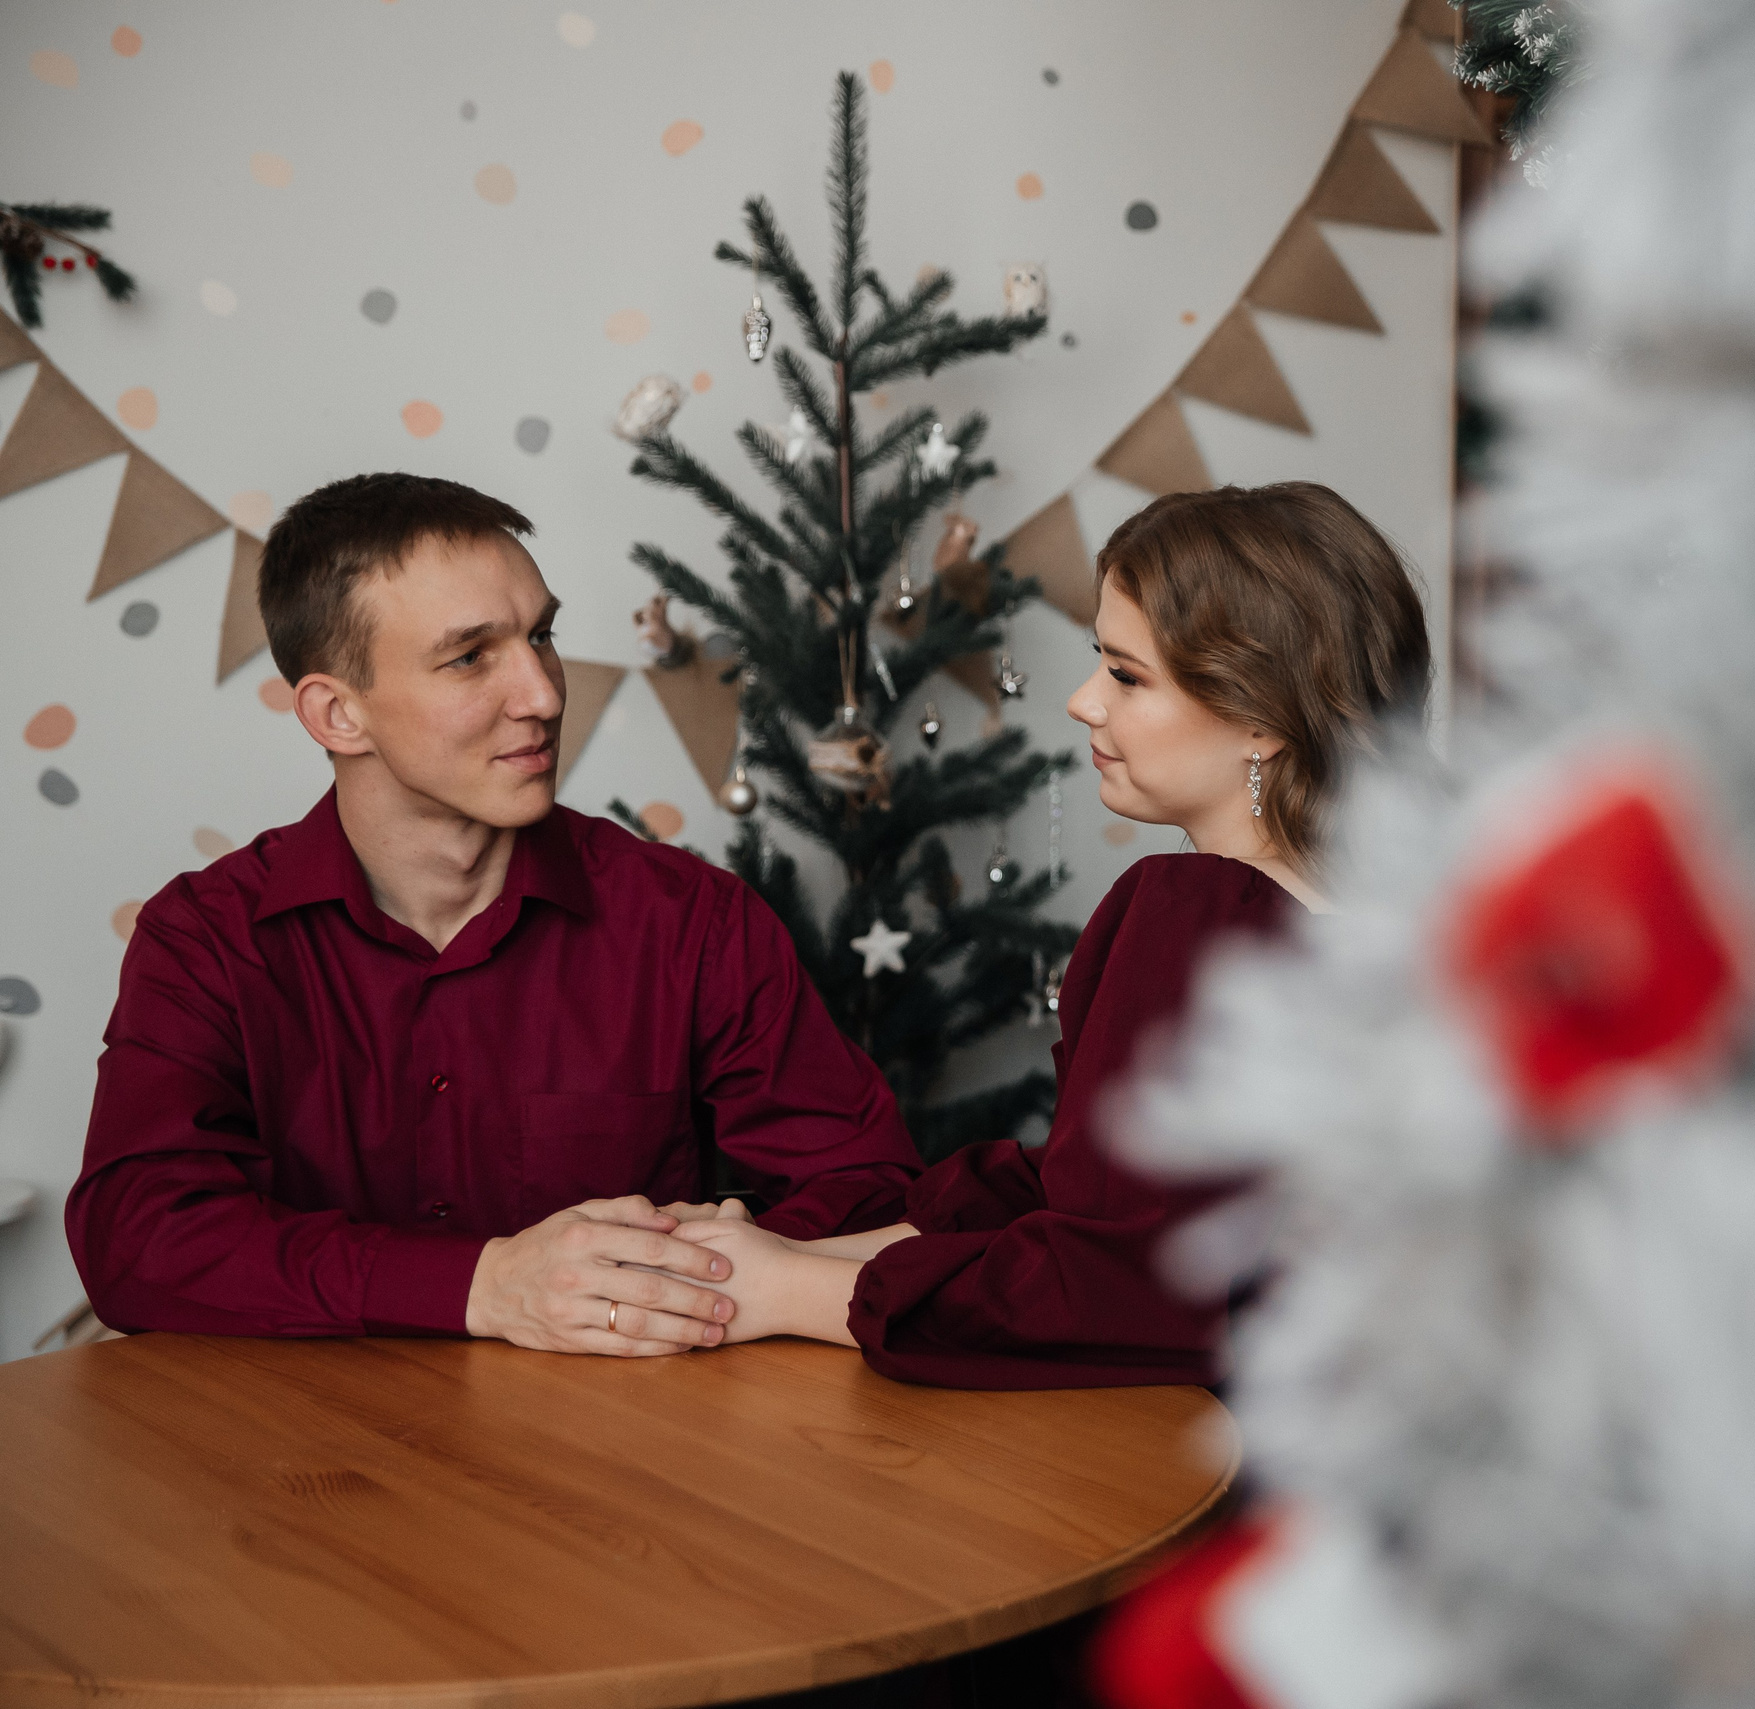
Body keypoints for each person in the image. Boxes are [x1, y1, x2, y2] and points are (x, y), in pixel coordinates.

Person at [66, 473, 920, 1353]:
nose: (545, 694)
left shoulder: (690, 920)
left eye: (541, 634)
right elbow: (135, 1237)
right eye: (471, 656)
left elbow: (872, 1183)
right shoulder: (205, 940)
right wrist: (486, 1285)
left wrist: (678, 1270)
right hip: (299, 1460)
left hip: (611, 1456)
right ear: (336, 712)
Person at [667, 482, 1432, 1387]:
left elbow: (1121, 1285)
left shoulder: (1201, 916)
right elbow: (1101, 1196)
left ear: (1259, 717)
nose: (1081, 702)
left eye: (1126, 675)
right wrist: (796, 1253)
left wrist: (783, 1291)